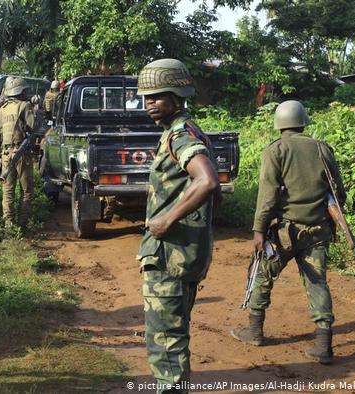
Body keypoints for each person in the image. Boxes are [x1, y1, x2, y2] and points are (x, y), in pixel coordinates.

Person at [230, 100, 345, 365]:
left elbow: (267, 196)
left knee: (261, 274)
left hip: (284, 232)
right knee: (317, 283)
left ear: (279, 123)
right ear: (303, 121)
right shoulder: (322, 148)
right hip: (317, 231)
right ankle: (323, 345)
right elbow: (339, 194)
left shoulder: (276, 149)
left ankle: (255, 331)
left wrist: (259, 229)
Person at [135, 58, 220, 393]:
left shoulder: (181, 136)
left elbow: (208, 181)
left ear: (177, 96)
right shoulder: (184, 131)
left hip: (169, 255)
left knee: (166, 346)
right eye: (146, 97)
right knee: (174, 336)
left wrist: (166, 220)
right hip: (182, 252)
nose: (149, 103)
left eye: (157, 96)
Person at [0, 78, 36, 229]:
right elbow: (34, 127)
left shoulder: (1, 110)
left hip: (5, 155)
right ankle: (23, 225)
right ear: (21, 91)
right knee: (26, 191)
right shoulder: (25, 106)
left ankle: (9, 224)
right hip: (21, 153)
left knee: (8, 191)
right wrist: (37, 109)